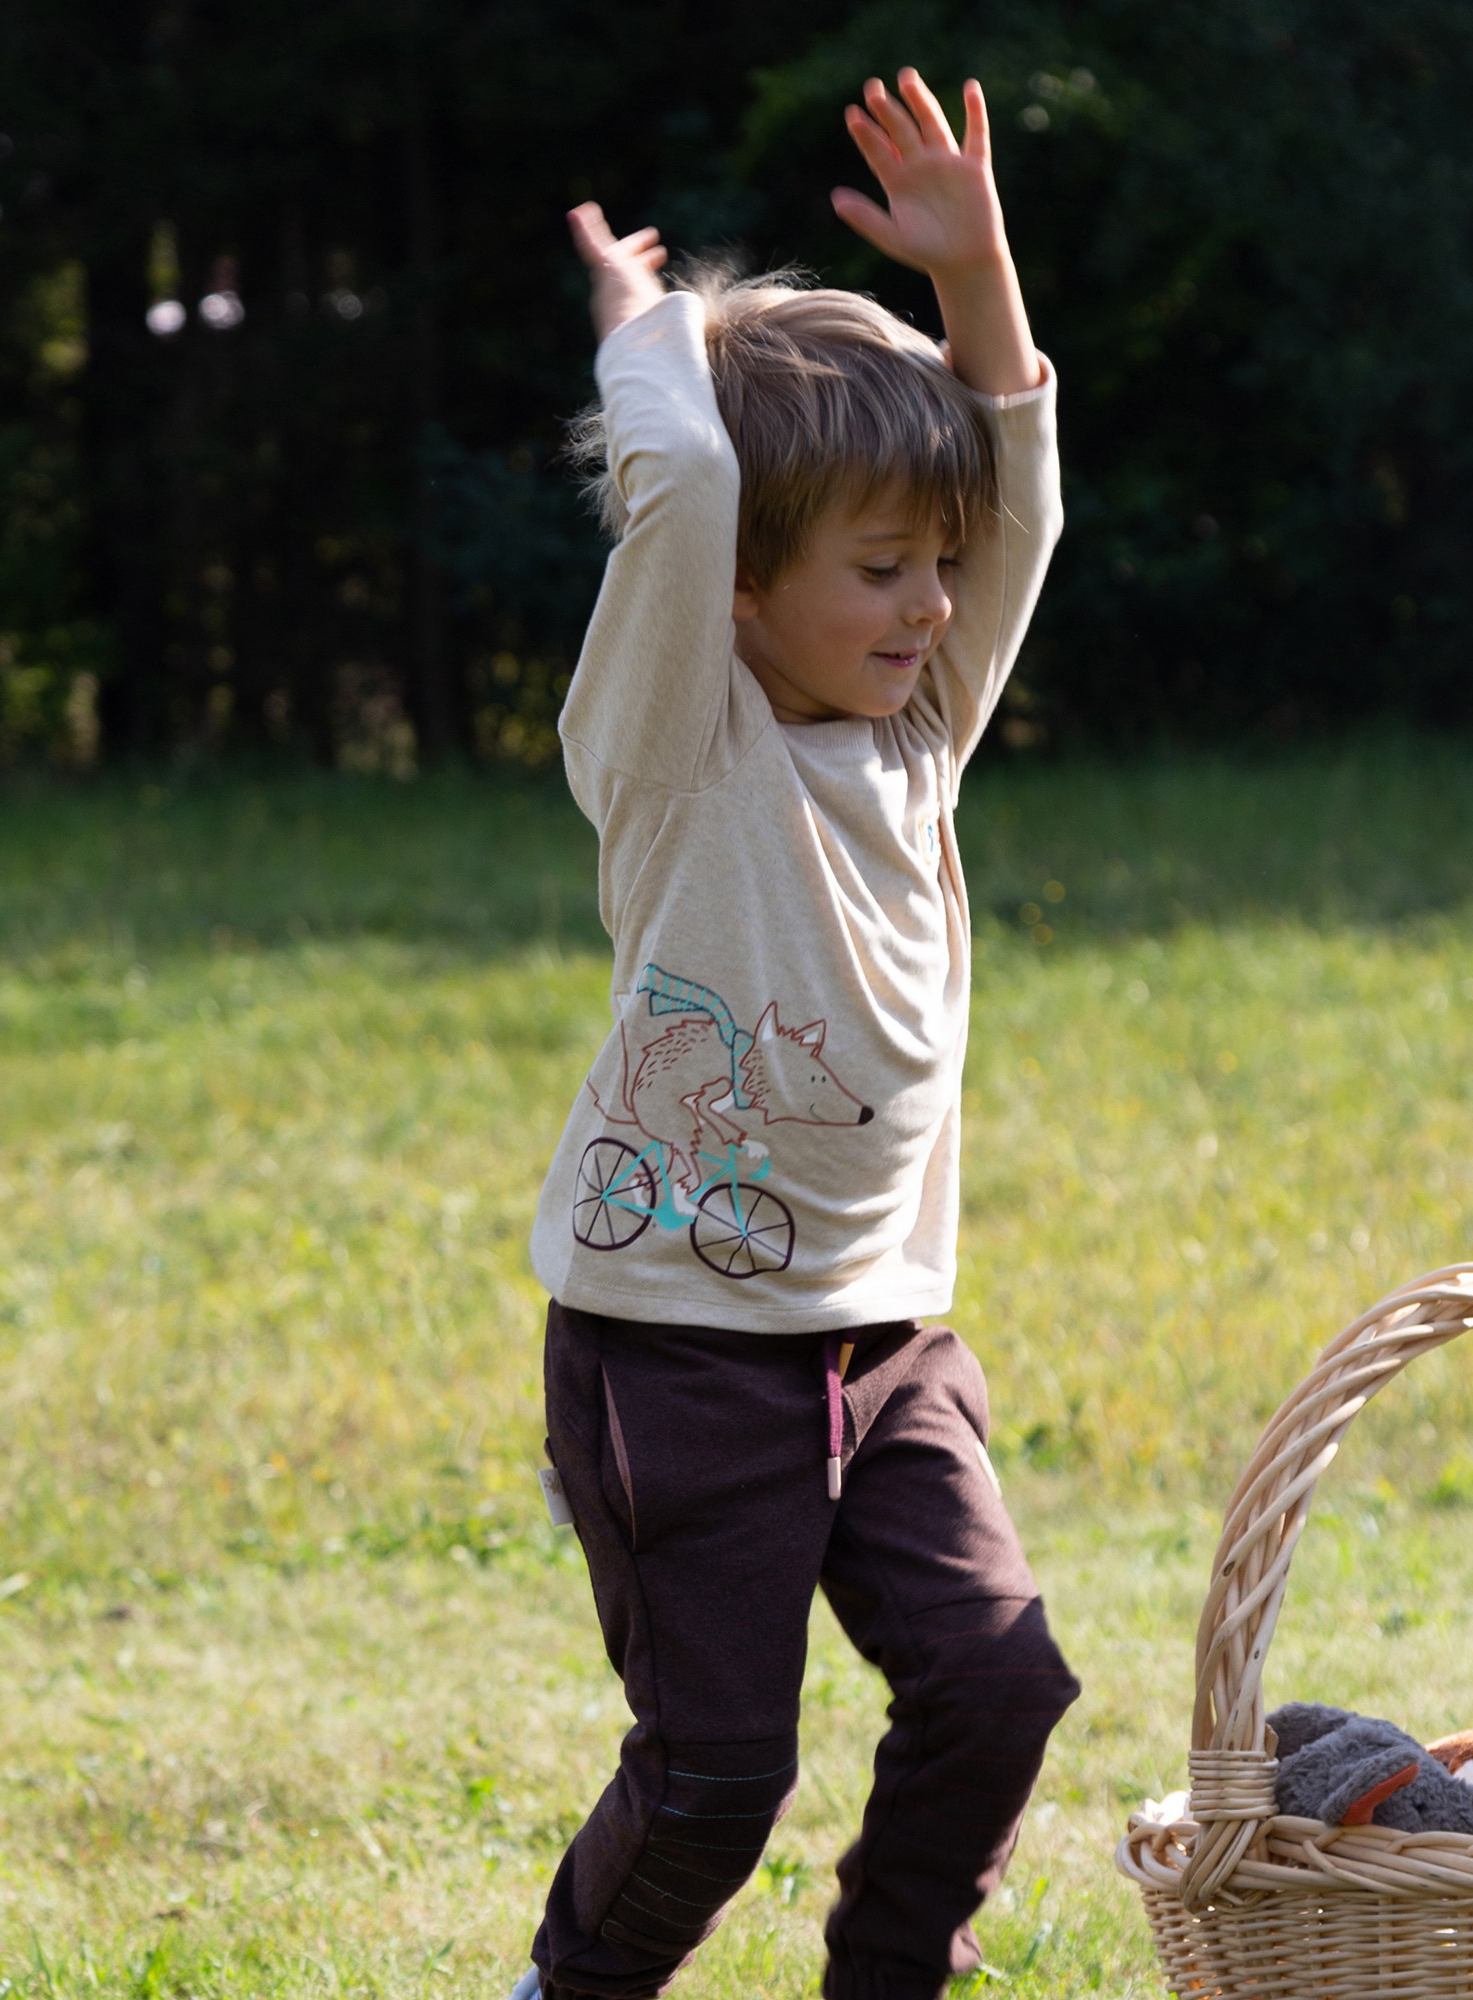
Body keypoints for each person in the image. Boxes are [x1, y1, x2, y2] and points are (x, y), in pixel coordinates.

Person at [515, 66, 1079, 2000]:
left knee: (1003, 1685)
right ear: (743, 588)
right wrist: (653, 330)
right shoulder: (676, 749)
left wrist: (982, 271)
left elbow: (1020, 479)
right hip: (677, 1349)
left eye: (941, 562)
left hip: (887, 1336)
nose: (933, 601)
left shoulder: (919, 729)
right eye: (879, 567)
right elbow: (675, 484)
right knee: (715, 1780)